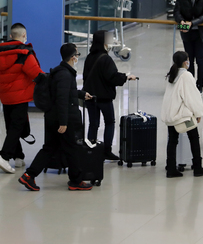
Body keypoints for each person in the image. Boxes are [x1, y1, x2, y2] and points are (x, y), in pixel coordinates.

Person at [18, 43, 94, 192]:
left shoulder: (61, 72)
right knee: (72, 149)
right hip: (61, 120)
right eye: (77, 55)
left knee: (49, 148)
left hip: (53, 117)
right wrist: (64, 122)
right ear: (73, 57)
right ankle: (76, 181)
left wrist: (81, 94)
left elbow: (66, 92)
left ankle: (29, 175)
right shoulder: (65, 75)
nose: (78, 57)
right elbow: (62, 99)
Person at [0, 23, 43, 174]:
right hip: (20, 96)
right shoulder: (24, 53)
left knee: (12, 126)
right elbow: (36, 74)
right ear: (24, 36)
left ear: (11, 36)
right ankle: (4, 157)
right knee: (16, 127)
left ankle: (19, 157)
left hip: (5, 96)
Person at [83, 30, 137, 160]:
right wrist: (126, 77)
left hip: (90, 96)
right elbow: (112, 77)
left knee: (93, 123)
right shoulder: (105, 59)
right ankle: (107, 150)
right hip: (104, 98)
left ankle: (91, 149)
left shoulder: (89, 57)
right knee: (109, 122)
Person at [161, 51, 203, 178]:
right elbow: (192, 97)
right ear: (184, 62)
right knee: (194, 138)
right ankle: (197, 167)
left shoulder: (172, 74)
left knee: (172, 140)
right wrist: (198, 113)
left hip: (170, 114)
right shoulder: (186, 76)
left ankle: (170, 168)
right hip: (182, 115)